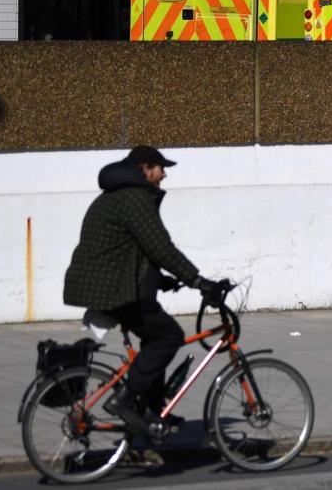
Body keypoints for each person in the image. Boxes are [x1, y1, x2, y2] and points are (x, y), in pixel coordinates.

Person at [63, 145, 223, 433]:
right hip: (113, 291)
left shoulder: (120, 195)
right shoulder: (134, 198)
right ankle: (124, 401)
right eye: (161, 168)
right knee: (169, 336)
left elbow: (131, 249)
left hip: (110, 285)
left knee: (154, 341)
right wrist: (198, 281)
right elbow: (160, 247)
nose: (164, 175)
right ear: (145, 168)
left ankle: (152, 411)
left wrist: (161, 280)